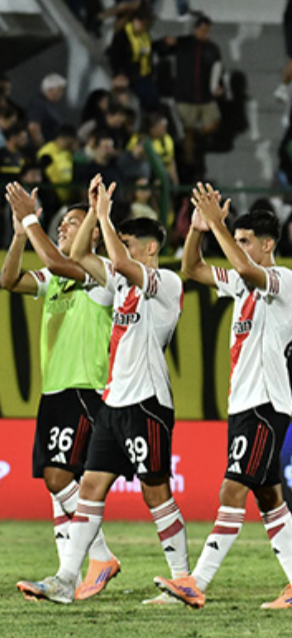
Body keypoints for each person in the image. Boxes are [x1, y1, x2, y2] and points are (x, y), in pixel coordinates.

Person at [17, 176, 187, 605]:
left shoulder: (164, 282)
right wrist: (95, 213)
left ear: (149, 248)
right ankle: (66, 578)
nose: (123, 249)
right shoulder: (121, 284)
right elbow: (80, 257)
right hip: (113, 401)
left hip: (147, 401)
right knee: (89, 487)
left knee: (155, 491)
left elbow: (105, 262)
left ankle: (184, 579)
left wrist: (104, 219)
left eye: (131, 243)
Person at [152, 186, 292, 609]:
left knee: (232, 489)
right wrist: (200, 229)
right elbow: (192, 267)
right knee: (268, 497)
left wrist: (221, 227)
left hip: (265, 403)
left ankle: (196, 582)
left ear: (267, 245)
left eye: (245, 241)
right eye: (236, 240)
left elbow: (243, 269)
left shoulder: (282, 280)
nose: (237, 248)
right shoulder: (242, 286)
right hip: (245, 403)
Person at [2, 184, 119, 601]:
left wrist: (32, 218)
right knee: (57, 484)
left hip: (84, 387)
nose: (64, 228)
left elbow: (53, 255)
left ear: (92, 233)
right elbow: (9, 280)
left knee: (58, 476)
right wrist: (19, 233)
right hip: (54, 387)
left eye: (74, 223)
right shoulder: (54, 278)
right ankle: (64, 578)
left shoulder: (100, 273)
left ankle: (100, 557)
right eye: (62, 223)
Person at [171, 14, 223, 169]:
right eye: (202, 30)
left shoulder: (212, 49)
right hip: (186, 96)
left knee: (213, 122)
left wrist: (217, 87)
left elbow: (217, 70)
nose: (205, 34)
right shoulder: (184, 44)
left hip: (205, 96)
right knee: (188, 131)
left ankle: (199, 136)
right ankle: (189, 163)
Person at [27, 74, 67, 148]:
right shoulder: (38, 104)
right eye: (59, 90)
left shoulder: (48, 104)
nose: (61, 93)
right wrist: (43, 147)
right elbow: (33, 127)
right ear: (50, 89)